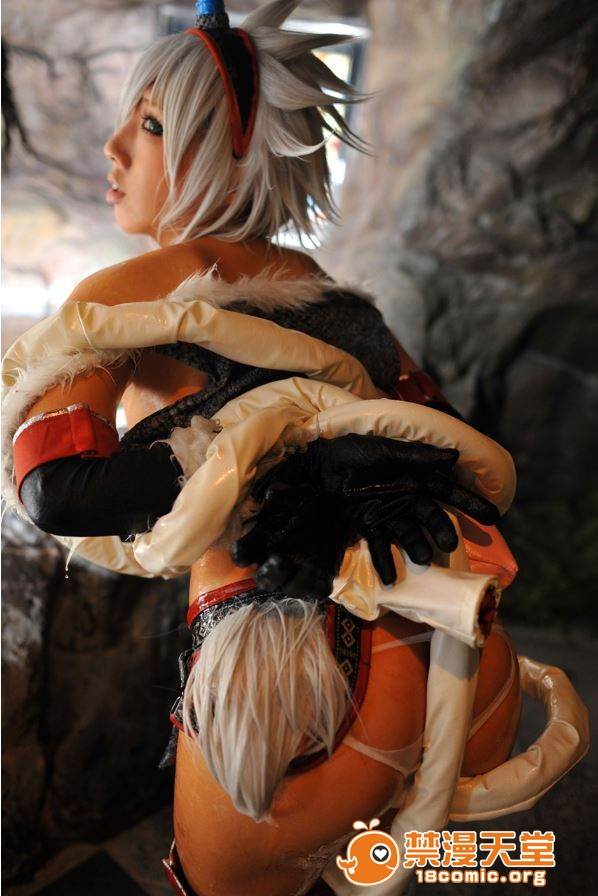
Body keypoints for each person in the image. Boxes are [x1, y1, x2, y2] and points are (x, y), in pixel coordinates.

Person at [1, 2, 588, 895]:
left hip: (277, 675)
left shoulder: (131, 290)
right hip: (446, 647)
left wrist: (254, 460)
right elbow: (447, 448)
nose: (113, 150)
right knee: (379, 871)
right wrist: (318, 452)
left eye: (150, 126)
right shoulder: (336, 297)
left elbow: (56, 486)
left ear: (226, 153)